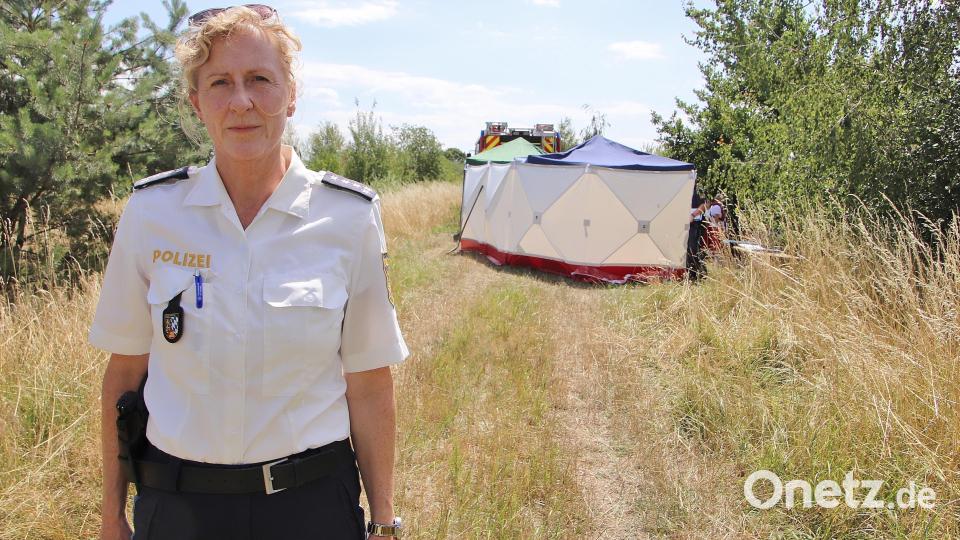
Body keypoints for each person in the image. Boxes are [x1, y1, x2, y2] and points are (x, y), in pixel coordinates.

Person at [91, 6, 407, 539]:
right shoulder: (152, 214)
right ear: (197, 102)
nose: (242, 101)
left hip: (309, 509)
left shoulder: (348, 217)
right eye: (220, 82)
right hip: (177, 509)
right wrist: (109, 517)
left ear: (291, 94)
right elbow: (123, 377)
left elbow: (369, 382)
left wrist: (383, 523)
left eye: (260, 79)